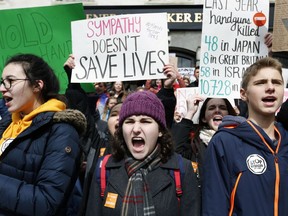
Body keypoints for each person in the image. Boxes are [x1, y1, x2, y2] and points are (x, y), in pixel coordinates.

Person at [85, 90, 200, 216]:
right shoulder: (104, 167)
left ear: (160, 130)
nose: (136, 129)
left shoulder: (182, 169)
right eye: (129, 122)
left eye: (145, 121)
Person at [0, 53, 86, 215]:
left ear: (37, 85)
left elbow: (46, 202)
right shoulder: (6, 124)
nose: (2, 88)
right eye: (2, 82)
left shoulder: (62, 132)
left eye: (10, 81)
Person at [202, 57, 288, 215]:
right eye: (260, 83)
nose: (270, 88)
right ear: (243, 94)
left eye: (276, 82)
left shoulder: (286, 140)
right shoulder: (224, 142)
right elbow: (214, 206)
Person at [172, 96, 237, 184]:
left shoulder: (240, 141)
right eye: (211, 108)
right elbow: (176, 153)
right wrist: (190, 113)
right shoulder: (195, 145)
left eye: (222, 108)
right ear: (204, 118)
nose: (217, 110)